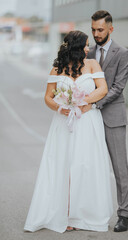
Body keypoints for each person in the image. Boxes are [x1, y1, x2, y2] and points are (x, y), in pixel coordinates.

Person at [24, 30, 113, 233]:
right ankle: (64, 214)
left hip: (87, 121)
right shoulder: (57, 68)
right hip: (64, 123)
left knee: (84, 165)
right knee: (63, 166)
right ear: (75, 47)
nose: (88, 48)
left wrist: (84, 101)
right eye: (85, 45)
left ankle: (83, 214)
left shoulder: (92, 64)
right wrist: (60, 107)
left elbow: (102, 89)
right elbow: (48, 97)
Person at [87, 10, 128, 232]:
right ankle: (90, 212)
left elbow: (118, 87)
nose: (96, 33)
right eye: (93, 29)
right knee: (89, 166)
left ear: (111, 29)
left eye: (100, 30)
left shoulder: (122, 53)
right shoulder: (88, 53)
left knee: (119, 169)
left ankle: (124, 216)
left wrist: (94, 103)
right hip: (88, 118)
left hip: (112, 116)